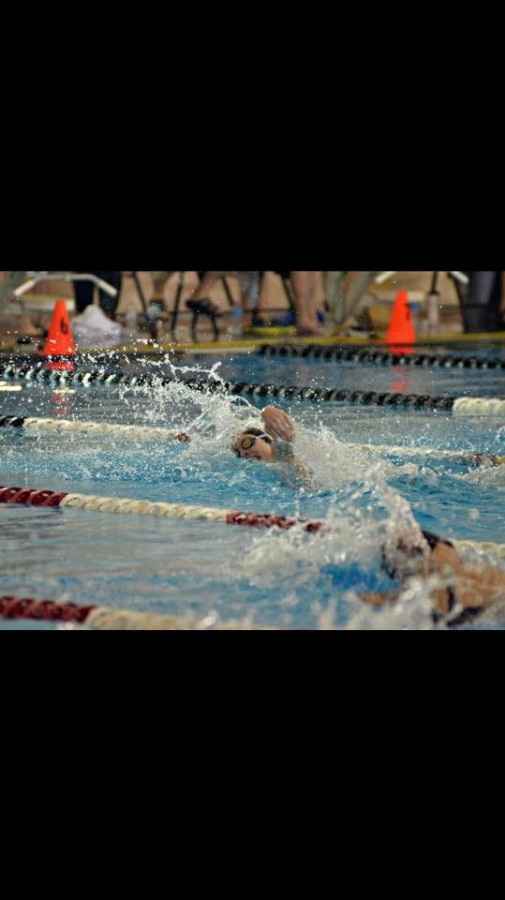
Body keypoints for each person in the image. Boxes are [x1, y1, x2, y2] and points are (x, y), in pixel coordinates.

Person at [360, 527, 505, 627]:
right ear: (436, 553)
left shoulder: (412, 596)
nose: (453, 549)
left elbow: (371, 600)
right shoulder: (467, 573)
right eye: (447, 544)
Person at [232, 405, 313, 479]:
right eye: (238, 453)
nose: (243, 454)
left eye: (246, 443)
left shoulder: (280, 458)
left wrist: (267, 412)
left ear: (263, 438)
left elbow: (283, 447)